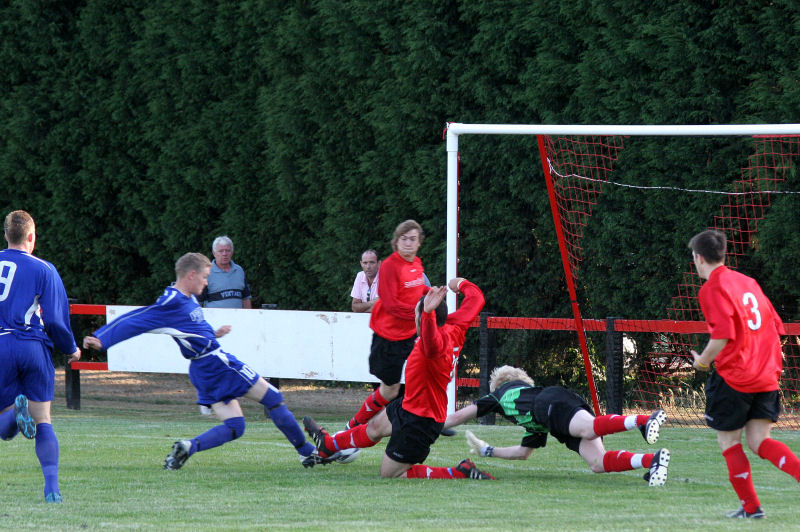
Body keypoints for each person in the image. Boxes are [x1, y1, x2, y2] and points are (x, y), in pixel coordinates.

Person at [82, 252, 352, 470]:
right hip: (217, 363)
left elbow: (188, 329)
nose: (207, 282)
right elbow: (137, 320)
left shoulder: (185, 299)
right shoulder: (172, 301)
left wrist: (213, 333)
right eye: (205, 276)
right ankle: (307, 453)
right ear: (191, 275)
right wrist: (103, 338)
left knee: (236, 426)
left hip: (203, 370)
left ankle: (188, 447)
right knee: (273, 397)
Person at [305, 277, 495, 480]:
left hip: (421, 420)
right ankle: (328, 445)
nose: (413, 316)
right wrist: (459, 284)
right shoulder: (455, 325)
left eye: (416, 312)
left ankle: (458, 472)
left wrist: (427, 313)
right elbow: (476, 299)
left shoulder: (432, 345)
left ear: (423, 317)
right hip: (410, 405)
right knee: (375, 428)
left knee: (390, 474)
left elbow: (431, 342)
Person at [689, 229, 800, 519]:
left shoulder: (712, 288)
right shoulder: (747, 281)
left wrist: (702, 362)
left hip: (736, 377)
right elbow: (776, 326)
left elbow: (722, 336)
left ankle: (751, 509)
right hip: (766, 375)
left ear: (699, 258)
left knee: (729, 442)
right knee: (760, 441)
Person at [441, 365, 670, 486]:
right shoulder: (526, 416)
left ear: (500, 384)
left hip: (550, 405)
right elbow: (523, 453)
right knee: (598, 464)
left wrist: (433, 426)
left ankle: (643, 420)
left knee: (589, 428)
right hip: (553, 419)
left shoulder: (501, 394)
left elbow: (458, 416)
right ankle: (652, 461)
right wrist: (486, 450)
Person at [0, 210, 81, 503]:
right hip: (33, 346)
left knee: (4, 428)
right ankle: (52, 490)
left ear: (6, 235)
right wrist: (71, 348)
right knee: (44, 420)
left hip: (1, 346)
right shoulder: (44, 269)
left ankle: (13, 415)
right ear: (31, 237)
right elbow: (57, 321)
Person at [344, 220, 428, 430]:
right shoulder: (390, 266)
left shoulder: (416, 264)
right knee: (389, 391)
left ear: (419, 243)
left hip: (409, 336)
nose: (408, 243)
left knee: (424, 374)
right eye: (404, 239)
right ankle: (353, 426)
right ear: (396, 242)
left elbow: (417, 291)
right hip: (388, 338)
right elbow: (390, 304)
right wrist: (419, 313)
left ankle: (430, 419)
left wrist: (431, 293)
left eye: (413, 239)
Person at [198, 236, 252, 309]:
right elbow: (198, 301)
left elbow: (246, 298)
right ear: (214, 253)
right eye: (221, 251)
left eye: (227, 250)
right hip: (215, 319)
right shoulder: (206, 273)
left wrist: (248, 318)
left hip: (238, 319)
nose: (224, 254)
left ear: (232, 252)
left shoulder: (239, 271)